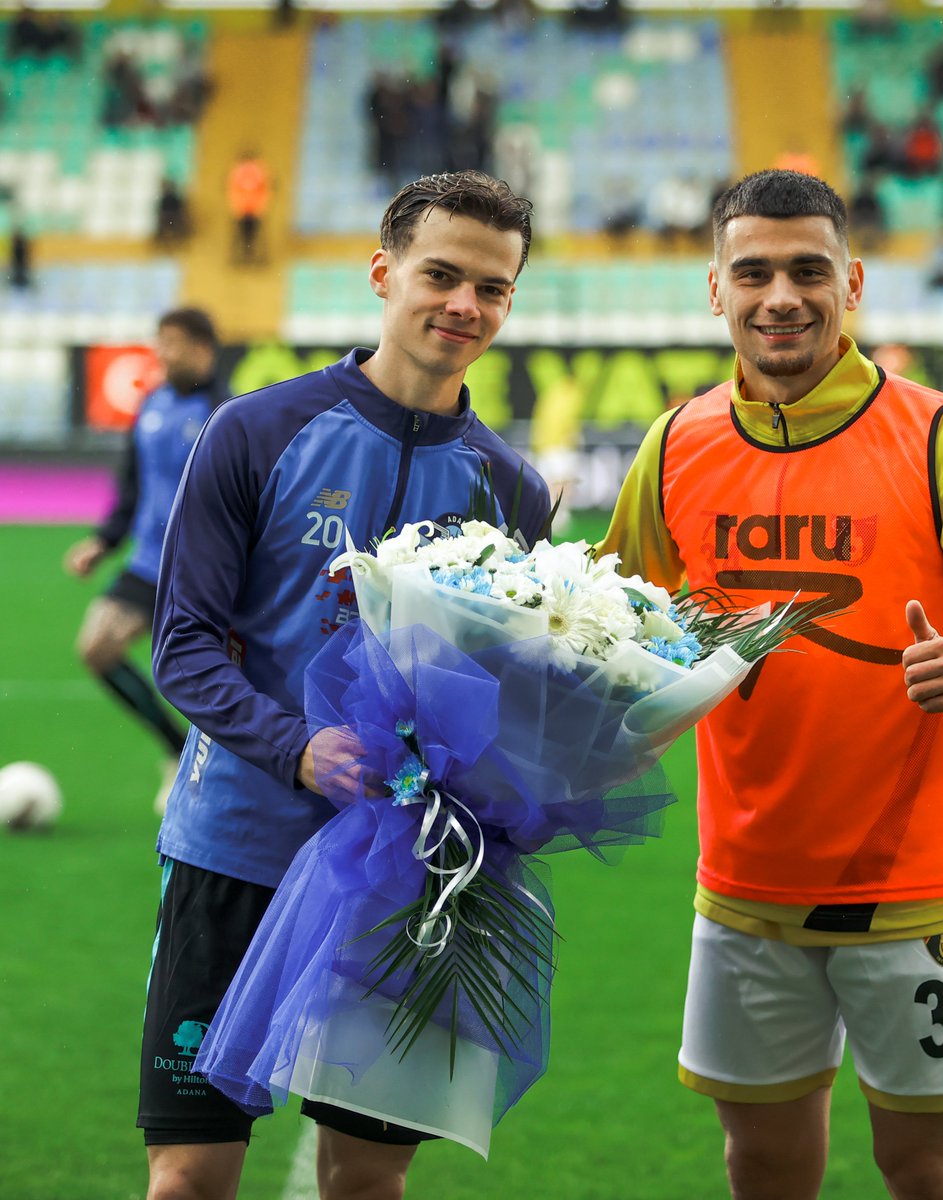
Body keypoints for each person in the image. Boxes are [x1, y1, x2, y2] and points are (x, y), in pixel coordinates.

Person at [596, 170, 943, 1200]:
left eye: (809, 271)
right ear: (714, 291)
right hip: (744, 888)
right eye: (754, 271)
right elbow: (617, 624)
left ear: (850, 282)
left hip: (916, 891)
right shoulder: (676, 444)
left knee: (929, 1170)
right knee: (762, 1164)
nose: (782, 296)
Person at [140, 171, 550, 1200]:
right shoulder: (256, 431)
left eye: (491, 288)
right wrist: (295, 747)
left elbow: (513, 687)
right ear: (383, 272)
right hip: (235, 849)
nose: (464, 304)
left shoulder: (514, 491)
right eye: (442, 274)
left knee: (365, 1182)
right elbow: (183, 645)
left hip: (403, 882)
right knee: (190, 1174)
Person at [64, 308, 222, 815]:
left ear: (202, 349)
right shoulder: (151, 403)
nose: (162, 353)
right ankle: (176, 751)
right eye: (160, 343)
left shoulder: (228, 410)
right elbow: (134, 486)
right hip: (148, 564)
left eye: (172, 344)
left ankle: (218, 771)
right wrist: (104, 540)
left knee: (198, 679)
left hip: (200, 571)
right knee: (96, 649)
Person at [226, 150, 271, 265]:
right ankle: (242, 257)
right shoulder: (244, 171)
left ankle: (249, 256)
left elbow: (263, 189)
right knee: (243, 236)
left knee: (251, 236)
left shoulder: (255, 170)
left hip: (251, 210)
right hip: (246, 210)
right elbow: (234, 189)